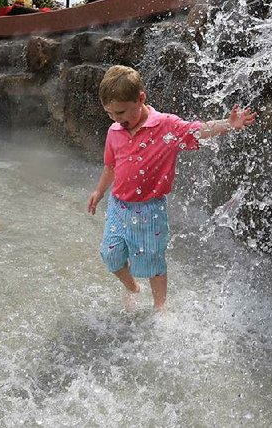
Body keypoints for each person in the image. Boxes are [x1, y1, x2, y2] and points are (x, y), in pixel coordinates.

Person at [87, 65, 257, 312]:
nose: (116, 119)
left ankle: (160, 307)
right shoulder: (115, 131)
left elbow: (198, 130)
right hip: (119, 206)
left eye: (121, 112)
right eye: (110, 114)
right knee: (110, 255)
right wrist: (99, 191)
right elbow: (110, 167)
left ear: (141, 98)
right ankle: (132, 287)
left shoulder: (166, 126)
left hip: (150, 209)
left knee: (153, 261)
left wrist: (228, 124)